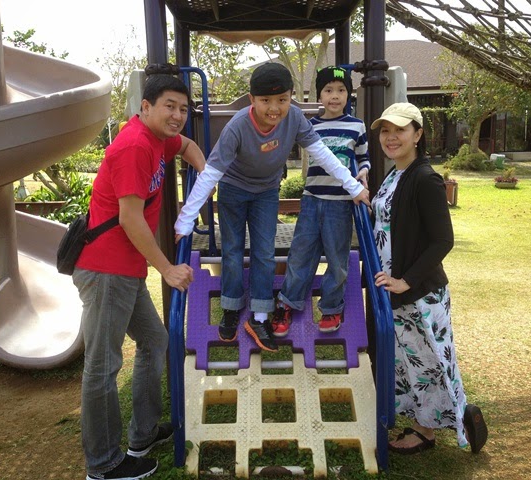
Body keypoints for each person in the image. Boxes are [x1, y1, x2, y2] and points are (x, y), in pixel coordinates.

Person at [174, 63, 370, 353]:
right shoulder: (237, 126)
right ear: (252, 99)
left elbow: (323, 154)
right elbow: (211, 174)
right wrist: (186, 220)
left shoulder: (295, 119)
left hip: (266, 191)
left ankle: (260, 316)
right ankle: (231, 307)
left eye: (282, 99)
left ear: (291, 97)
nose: (274, 108)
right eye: (265, 100)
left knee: (264, 253)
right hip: (233, 189)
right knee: (232, 249)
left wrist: (354, 187)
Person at [72, 74, 206, 480]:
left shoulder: (157, 139)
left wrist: (204, 178)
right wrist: (167, 268)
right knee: (103, 365)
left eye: (183, 109)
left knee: (155, 340)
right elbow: (130, 218)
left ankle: (143, 434)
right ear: (145, 107)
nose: (177, 115)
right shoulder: (134, 146)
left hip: (125, 270)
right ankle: (104, 464)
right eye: (169, 106)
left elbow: (187, 146)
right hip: (106, 270)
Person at [370, 102, 488, 455]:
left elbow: (442, 240)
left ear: (418, 134)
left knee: (430, 363)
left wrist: (405, 280)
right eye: (385, 131)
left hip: (419, 294)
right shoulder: (396, 174)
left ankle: (430, 430)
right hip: (397, 291)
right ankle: (431, 420)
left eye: (400, 130)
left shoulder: (424, 178)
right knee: (411, 361)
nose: (391, 137)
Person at [271, 66, 370, 336]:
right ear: (319, 96)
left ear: (348, 95)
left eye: (341, 90)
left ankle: (331, 308)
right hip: (312, 199)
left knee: (337, 259)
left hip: (340, 203)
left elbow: (363, 157)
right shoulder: (310, 125)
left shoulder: (356, 125)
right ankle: (287, 303)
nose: (334, 96)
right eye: (328, 90)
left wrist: (364, 171)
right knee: (300, 254)